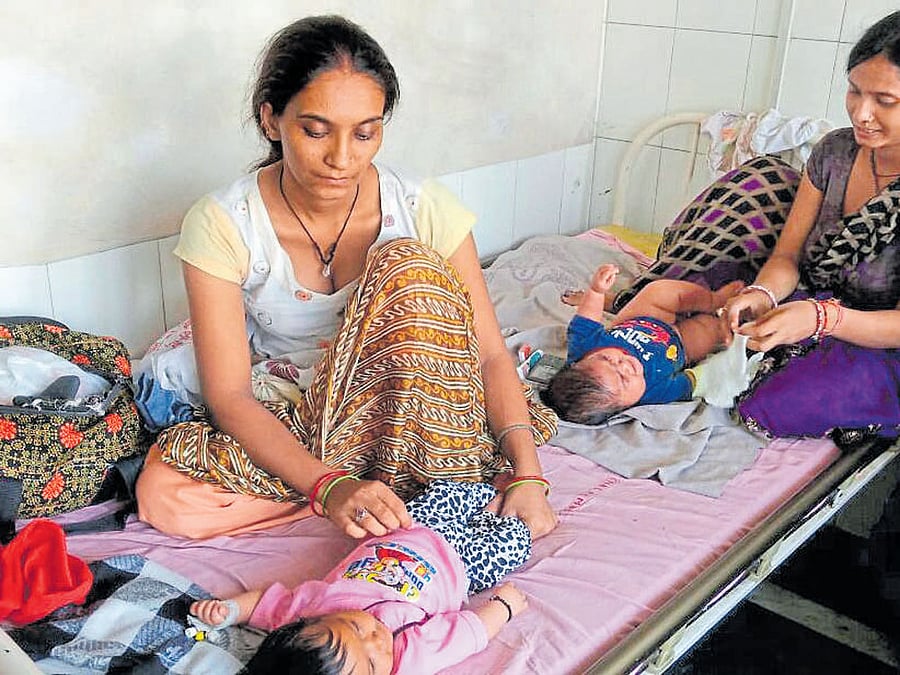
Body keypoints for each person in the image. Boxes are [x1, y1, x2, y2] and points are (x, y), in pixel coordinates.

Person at [134, 15, 558, 541]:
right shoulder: (223, 222)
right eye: (315, 131)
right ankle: (391, 490)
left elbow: (490, 355)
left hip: (411, 402)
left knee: (408, 264)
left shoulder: (421, 207)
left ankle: (381, 486)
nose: (341, 159)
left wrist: (529, 474)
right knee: (164, 496)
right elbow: (232, 397)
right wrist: (328, 487)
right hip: (303, 410)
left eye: (365, 133)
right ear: (271, 120)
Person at [609, 11, 900, 440]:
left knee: (782, 402)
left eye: (885, 101)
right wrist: (763, 294)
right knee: (709, 299)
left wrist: (821, 319)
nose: (862, 112)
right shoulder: (835, 152)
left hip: (882, 336)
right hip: (815, 299)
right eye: (854, 92)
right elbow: (786, 255)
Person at [189, 480, 531, 675]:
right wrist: (504, 606)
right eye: (370, 663)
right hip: (460, 565)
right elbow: (468, 632)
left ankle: (489, 500)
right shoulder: (409, 654)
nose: (376, 639)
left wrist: (230, 610)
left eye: (355, 628)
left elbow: (266, 604)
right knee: (512, 543)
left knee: (446, 492)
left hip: (405, 530)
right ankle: (500, 520)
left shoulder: (312, 611)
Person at [541, 263, 744, 424]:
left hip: (642, 318)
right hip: (681, 343)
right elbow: (692, 381)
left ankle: (713, 300)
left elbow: (587, 318)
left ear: (579, 361)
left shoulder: (584, 346)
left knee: (658, 291)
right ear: (625, 407)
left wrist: (596, 291)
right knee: (714, 329)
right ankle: (727, 312)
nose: (624, 365)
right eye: (624, 380)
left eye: (607, 359)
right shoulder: (654, 392)